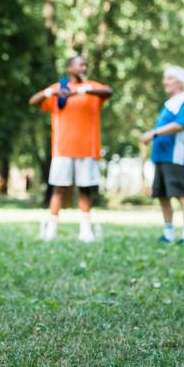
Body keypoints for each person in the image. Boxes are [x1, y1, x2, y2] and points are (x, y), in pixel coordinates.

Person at [29, 56, 113, 242]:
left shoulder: (92, 87)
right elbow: (33, 100)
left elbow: (109, 90)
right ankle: (51, 229)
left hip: (87, 149)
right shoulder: (60, 88)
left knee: (85, 190)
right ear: (69, 68)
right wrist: (52, 93)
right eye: (80, 64)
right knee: (59, 189)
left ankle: (85, 231)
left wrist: (82, 89)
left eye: (85, 64)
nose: (84, 67)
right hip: (62, 149)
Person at [141, 65, 184, 244]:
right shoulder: (170, 103)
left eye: (170, 78)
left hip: (175, 157)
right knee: (162, 196)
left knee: (183, 196)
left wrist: (154, 132)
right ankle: (168, 233)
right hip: (160, 157)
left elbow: (180, 124)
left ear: (180, 82)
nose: (165, 82)